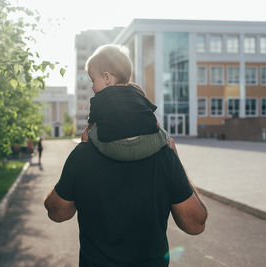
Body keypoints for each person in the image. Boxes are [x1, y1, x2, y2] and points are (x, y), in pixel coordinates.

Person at [44, 45, 207, 267]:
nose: (92, 87)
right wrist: (173, 155)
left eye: (93, 81)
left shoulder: (83, 155)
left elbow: (57, 212)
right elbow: (195, 224)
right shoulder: (164, 156)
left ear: (107, 78)